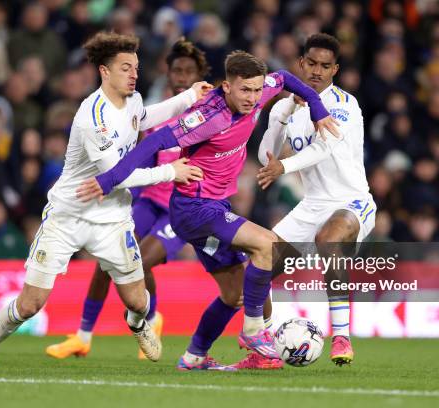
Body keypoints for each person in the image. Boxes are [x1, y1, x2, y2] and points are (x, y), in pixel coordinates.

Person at [77, 50, 339, 370]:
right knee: (269, 246)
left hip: (214, 207)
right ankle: (255, 330)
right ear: (227, 86)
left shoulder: (261, 90)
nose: (252, 98)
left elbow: (284, 78)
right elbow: (154, 142)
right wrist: (108, 180)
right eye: (245, 90)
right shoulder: (207, 117)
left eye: (257, 90)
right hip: (194, 208)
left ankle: (194, 356)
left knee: (233, 295)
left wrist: (317, 106)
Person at [0, 32, 211, 369]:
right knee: (30, 304)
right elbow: (118, 175)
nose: (134, 74)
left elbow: (147, 116)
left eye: (136, 67)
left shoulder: (133, 101)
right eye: (126, 67)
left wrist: (188, 96)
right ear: (104, 71)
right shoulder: (93, 117)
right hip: (69, 216)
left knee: (139, 302)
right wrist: (170, 173)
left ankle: (138, 323)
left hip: (112, 219)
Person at [45, 38, 210, 360]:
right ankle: (82, 336)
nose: (181, 77)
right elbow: (142, 157)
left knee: (138, 260)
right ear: (168, 73)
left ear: (200, 75)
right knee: (108, 259)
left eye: (189, 72)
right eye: (177, 70)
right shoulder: (155, 112)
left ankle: (151, 319)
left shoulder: (210, 113)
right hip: (150, 198)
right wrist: (117, 186)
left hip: (184, 205)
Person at [255, 33, 376, 366]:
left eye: (326, 66)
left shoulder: (345, 105)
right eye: (312, 64)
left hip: (351, 202)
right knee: (256, 267)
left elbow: (323, 147)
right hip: (312, 205)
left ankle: (340, 336)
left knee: (328, 240)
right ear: (300, 64)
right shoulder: (286, 106)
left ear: (335, 69)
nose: (317, 71)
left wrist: (283, 166)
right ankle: (264, 347)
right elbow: (266, 151)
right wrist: (282, 113)